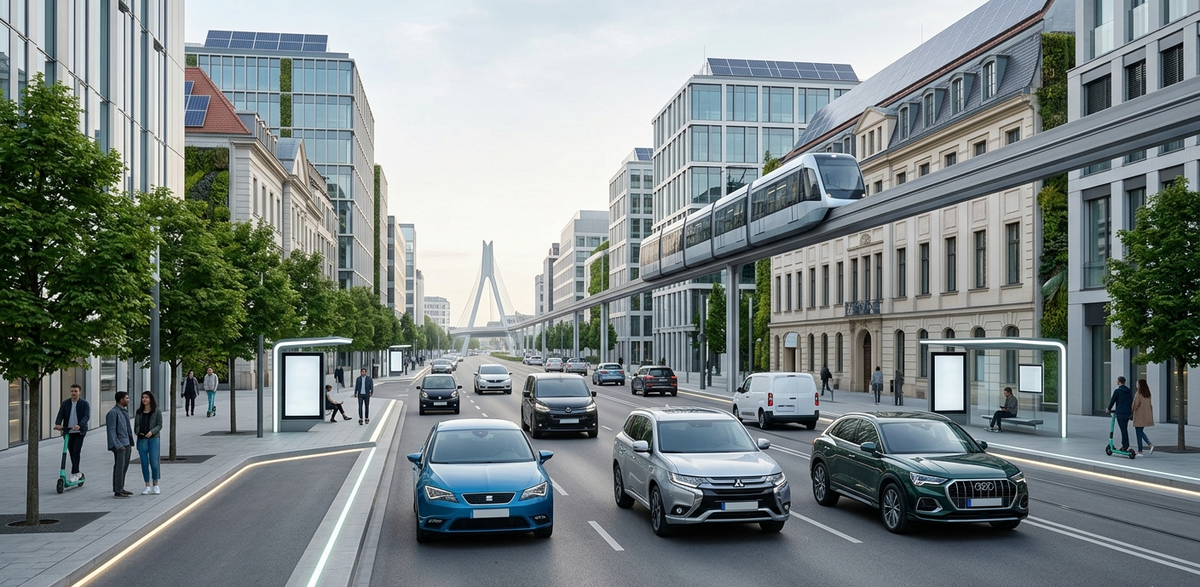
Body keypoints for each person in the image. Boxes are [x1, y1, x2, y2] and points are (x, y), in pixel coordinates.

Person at [53, 384, 91, 482]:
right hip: (68, 431)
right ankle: (77, 472)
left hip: (79, 431)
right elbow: (60, 414)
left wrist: (79, 425)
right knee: (70, 452)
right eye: (72, 391)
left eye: (75, 391)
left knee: (76, 452)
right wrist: (58, 424)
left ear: (80, 392)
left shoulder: (84, 403)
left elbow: (86, 416)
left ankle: (75, 473)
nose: (73, 393)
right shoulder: (65, 403)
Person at [134, 391, 163, 495]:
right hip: (142, 440)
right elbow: (136, 425)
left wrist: (152, 432)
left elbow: (159, 425)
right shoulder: (139, 412)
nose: (144, 399)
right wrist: (138, 432)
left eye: (146, 397)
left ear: (151, 399)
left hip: (154, 439)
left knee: (154, 462)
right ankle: (147, 485)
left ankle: (156, 484)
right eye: (143, 397)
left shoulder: (157, 411)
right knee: (144, 463)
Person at [106, 392, 134, 498]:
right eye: (126, 398)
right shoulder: (113, 413)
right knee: (119, 467)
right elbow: (111, 431)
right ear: (120, 399)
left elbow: (127, 428)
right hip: (120, 445)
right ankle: (117, 490)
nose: (128, 400)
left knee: (124, 467)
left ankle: (121, 487)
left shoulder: (124, 412)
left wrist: (130, 442)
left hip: (127, 443)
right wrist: (118, 445)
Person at [1108, 376, 1134, 451]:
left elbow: (1112, 400)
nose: (1116, 382)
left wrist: (1108, 409)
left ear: (1119, 382)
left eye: (1117, 381)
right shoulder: (1128, 390)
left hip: (1120, 412)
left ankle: (1125, 445)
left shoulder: (1117, 391)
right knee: (1124, 429)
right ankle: (1125, 444)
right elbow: (1131, 401)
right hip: (1127, 412)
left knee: (1123, 429)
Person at [1132, 379, 1155, 455]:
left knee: (1139, 433)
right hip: (1145, 416)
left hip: (1139, 416)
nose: (1136, 385)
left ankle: (1145, 447)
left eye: (1137, 384)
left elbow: (1135, 405)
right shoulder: (1148, 394)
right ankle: (1141, 449)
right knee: (1140, 432)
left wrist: (1131, 410)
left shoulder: (1138, 394)